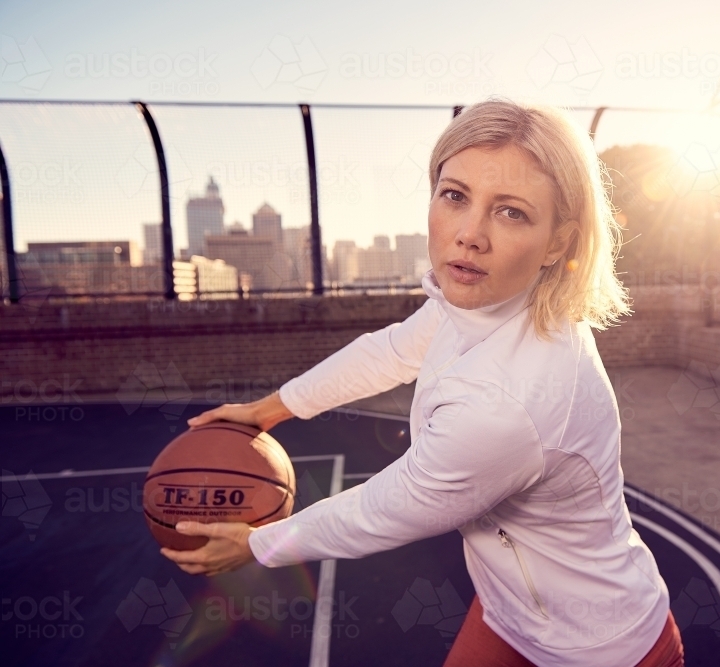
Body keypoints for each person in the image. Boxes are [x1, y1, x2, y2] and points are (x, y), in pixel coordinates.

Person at [161, 98, 685, 667]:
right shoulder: (481, 300)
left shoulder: (509, 403)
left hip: (602, 649)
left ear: (558, 243)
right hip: (508, 615)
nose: (469, 235)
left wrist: (256, 543)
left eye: (511, 212)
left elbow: (391, 506)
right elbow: (390, 351)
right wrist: (271, 409)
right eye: (455, 196)